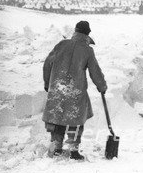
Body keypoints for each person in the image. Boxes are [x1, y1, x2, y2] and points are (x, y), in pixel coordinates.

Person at [43, 20, 107, 160]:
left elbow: (47, 64)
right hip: (76, 91)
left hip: (58, 89)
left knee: (57, 118)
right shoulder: (87, 50)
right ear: (87, 34)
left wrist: (48, 83)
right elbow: (95, 71)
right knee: (76, 120)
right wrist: (102, 86)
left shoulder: (61, 45)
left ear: (75, 31)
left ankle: (56, 145)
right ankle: (73, 149)